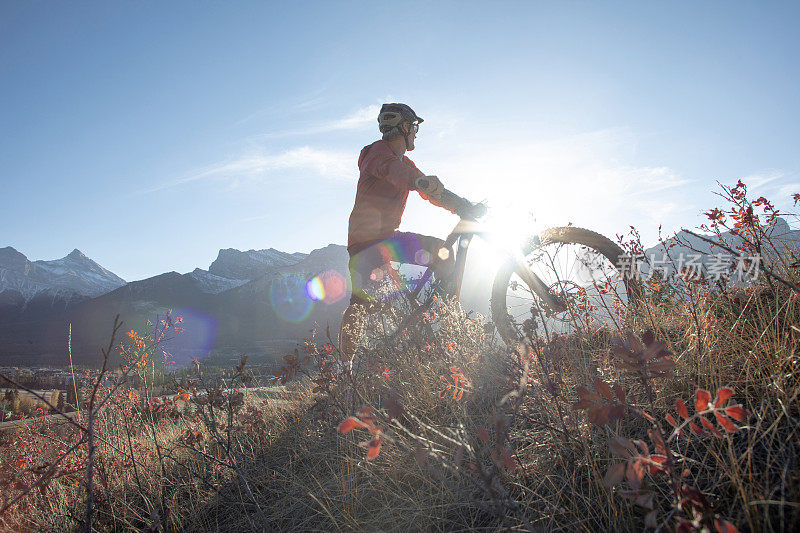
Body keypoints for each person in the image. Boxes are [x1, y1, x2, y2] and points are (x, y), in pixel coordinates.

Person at [338, 103, 479, 373]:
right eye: (413, 127)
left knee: (442, 254)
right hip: (369, 245)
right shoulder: (377, 153)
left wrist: (462, 205)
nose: (415, 133)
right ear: (403, 127)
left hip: (385, 240)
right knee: (360, 305)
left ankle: (441, 329)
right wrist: (419, 183)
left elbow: (427, 187)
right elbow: (395, 173)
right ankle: (344, 367)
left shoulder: (404, 162)